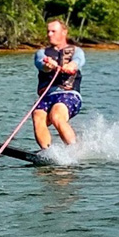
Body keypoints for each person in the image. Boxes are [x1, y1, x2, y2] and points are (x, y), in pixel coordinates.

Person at [32, 19, 84, 149]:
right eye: (48, 31)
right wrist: (48, 65)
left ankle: (74, 151)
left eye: (53, 31)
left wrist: (70, 66)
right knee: (38, 115)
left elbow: (77, 61)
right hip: (47, 96)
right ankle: (47, 151)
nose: (49, 34)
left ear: (64, 32)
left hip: (68, 95)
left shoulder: (76, 51)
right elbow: (41, 64)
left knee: (56, 115)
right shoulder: (42, 53)